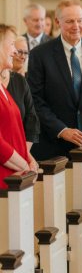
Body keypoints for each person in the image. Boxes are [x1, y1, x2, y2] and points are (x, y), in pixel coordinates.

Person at [27, 0, 82, 174]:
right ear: (58, 22)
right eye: (70, 21)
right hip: (52, 147)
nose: (76, 26)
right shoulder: (40, 55)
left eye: (79, 20)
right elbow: (35, 100)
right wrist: (62, 130)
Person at [0, 24, 38, 189]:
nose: (15, 52)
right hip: (5, 179)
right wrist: (24, 166)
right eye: (11, 44)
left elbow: (15, 132)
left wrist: (28, 158)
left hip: (15, 176)